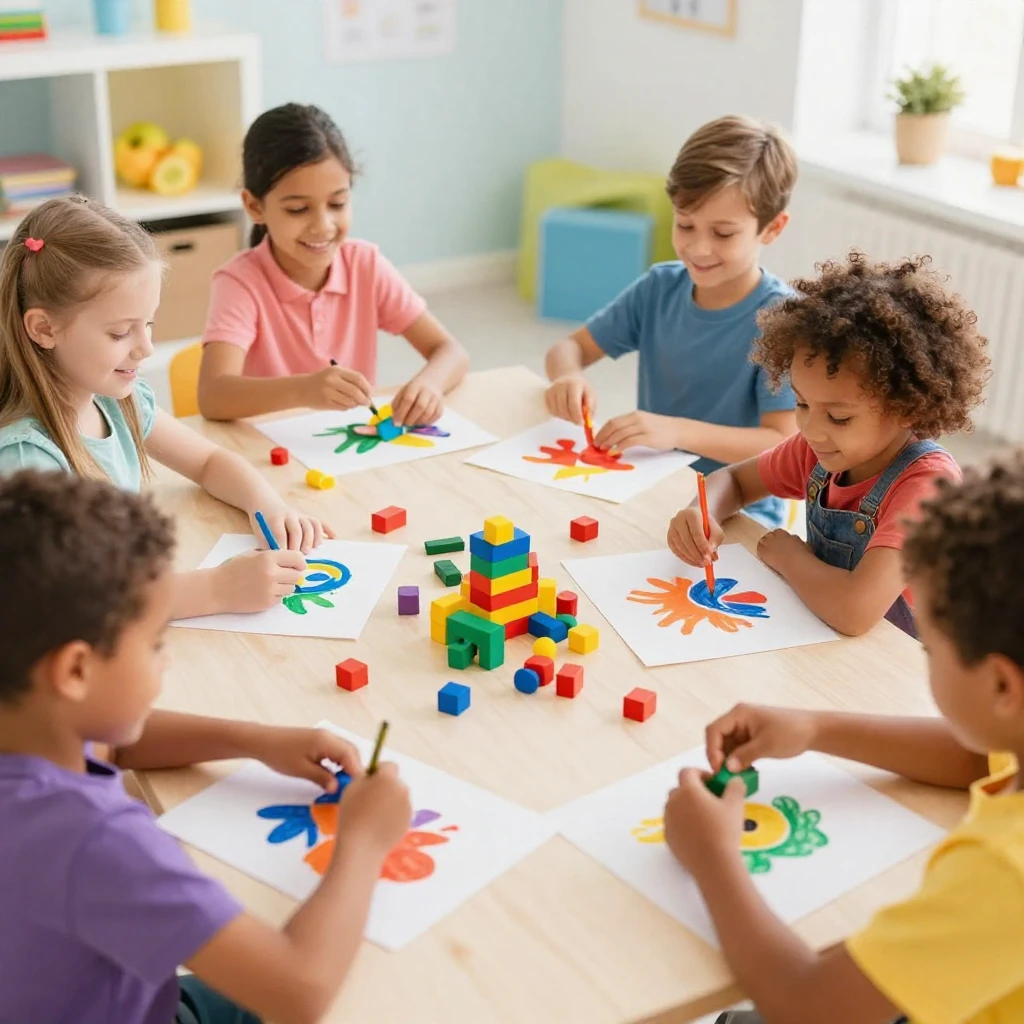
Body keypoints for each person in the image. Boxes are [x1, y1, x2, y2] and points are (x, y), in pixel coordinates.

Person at [0, 469, 413, 1024]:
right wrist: (364, 839)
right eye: (154, 643)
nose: (165, 659)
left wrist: (253, 740)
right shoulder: (95, 841)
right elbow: (298, 992)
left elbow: (110, 747)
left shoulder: (26, 726)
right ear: (75, 669)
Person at [663, 452, 1024, 1023]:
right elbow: (977, 757)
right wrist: (815, 727)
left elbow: (806, 1006)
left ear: (1002, 683)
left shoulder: (1006, 872)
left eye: (930, 643)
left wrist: (712, 855)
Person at [0, 197, 327, 619]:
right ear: (44, 329)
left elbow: (208, 460)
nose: (146, 347)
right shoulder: (27, 460)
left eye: (148, 323)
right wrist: (217, 590)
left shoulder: (116, 400)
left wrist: (266, 503)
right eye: (120, 332)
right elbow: (66, 605)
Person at [667, 251, 989, 637]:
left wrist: (791, 558)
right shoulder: (818, 448)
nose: (811, 429)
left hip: (903, 665)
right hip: (825, 636)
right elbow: (734, 482)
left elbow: (854, 612)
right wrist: (702, 513)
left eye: (839, 417)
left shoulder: (926, 487)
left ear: (905, 409)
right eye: (801, 403)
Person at [545, 115, 799, 527]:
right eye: (685, 225)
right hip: (650, 487)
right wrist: (566, 378)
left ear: (772, 228)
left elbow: (784, 443)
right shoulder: (660, 287)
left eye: (723, 233)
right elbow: (568, 348)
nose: (698, 247)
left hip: (738, 515)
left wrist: (676, 433)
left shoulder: (782, 321)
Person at [198, 103, 469, 425]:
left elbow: (451, 351)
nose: (323, 225)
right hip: (269, 450)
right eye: (298, 209)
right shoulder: (240, 282)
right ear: (255, 207)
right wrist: (304, 389)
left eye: (337, 203)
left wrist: (429, 385)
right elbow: (213, 396)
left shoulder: (365, 265)